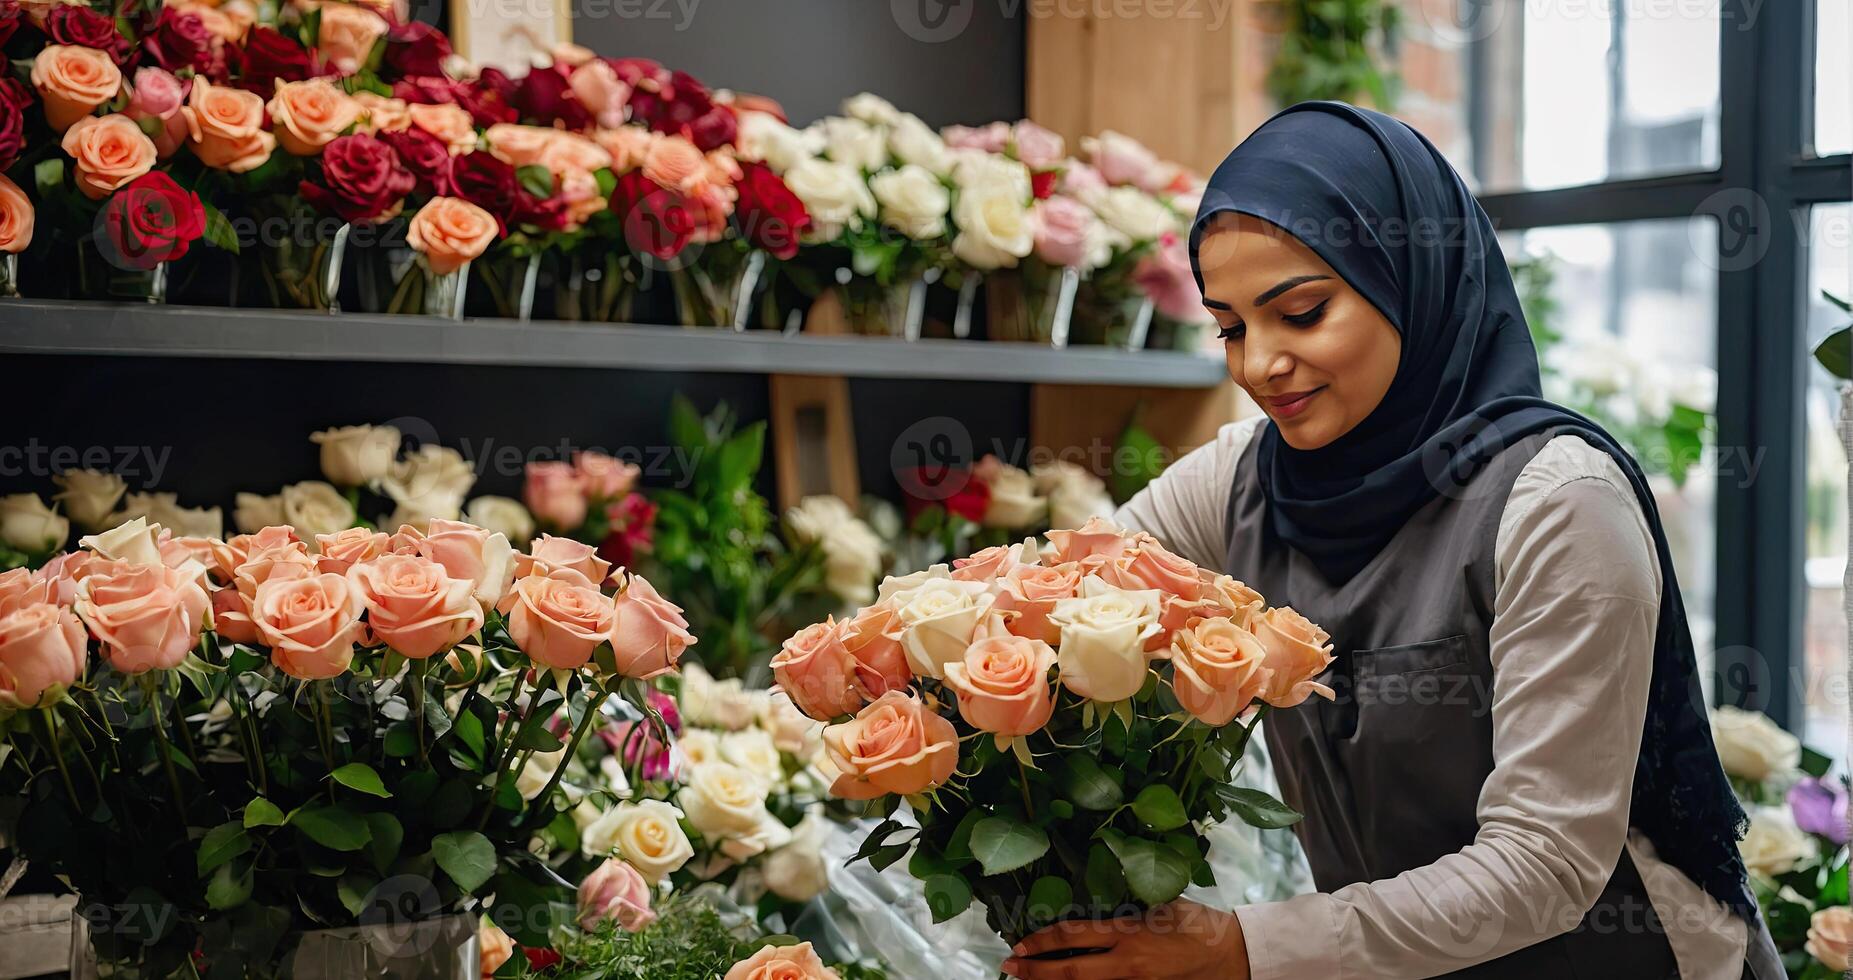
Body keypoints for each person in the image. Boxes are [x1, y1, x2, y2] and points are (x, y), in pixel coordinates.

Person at [1001, 102, 1783, 980]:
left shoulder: (1558, 503)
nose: (1258, 364)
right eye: (1230, 327)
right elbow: (1049, 597)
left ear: (1408, 277)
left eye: (1299, 313)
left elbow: (1546, 867)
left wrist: (1240, 948)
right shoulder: (1240, 480)